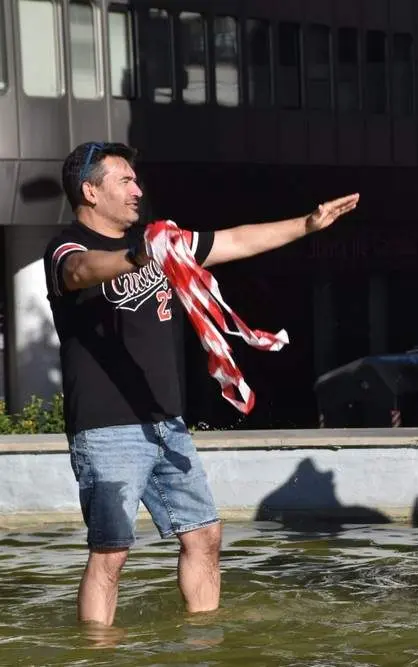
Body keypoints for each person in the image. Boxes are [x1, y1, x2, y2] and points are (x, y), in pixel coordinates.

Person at [43, 141, 359, 627]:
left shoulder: (160, 243)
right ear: (89, 190)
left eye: (135, 180)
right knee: (111, 554)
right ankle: (95, 655)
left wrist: (307, 224)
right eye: (125, 181)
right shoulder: (67, 246)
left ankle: (202, 641)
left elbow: (234, 241)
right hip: (106, 429)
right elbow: (80, 271)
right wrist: (140, 255)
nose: (137, 190)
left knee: (205, 535)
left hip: (166, 424)